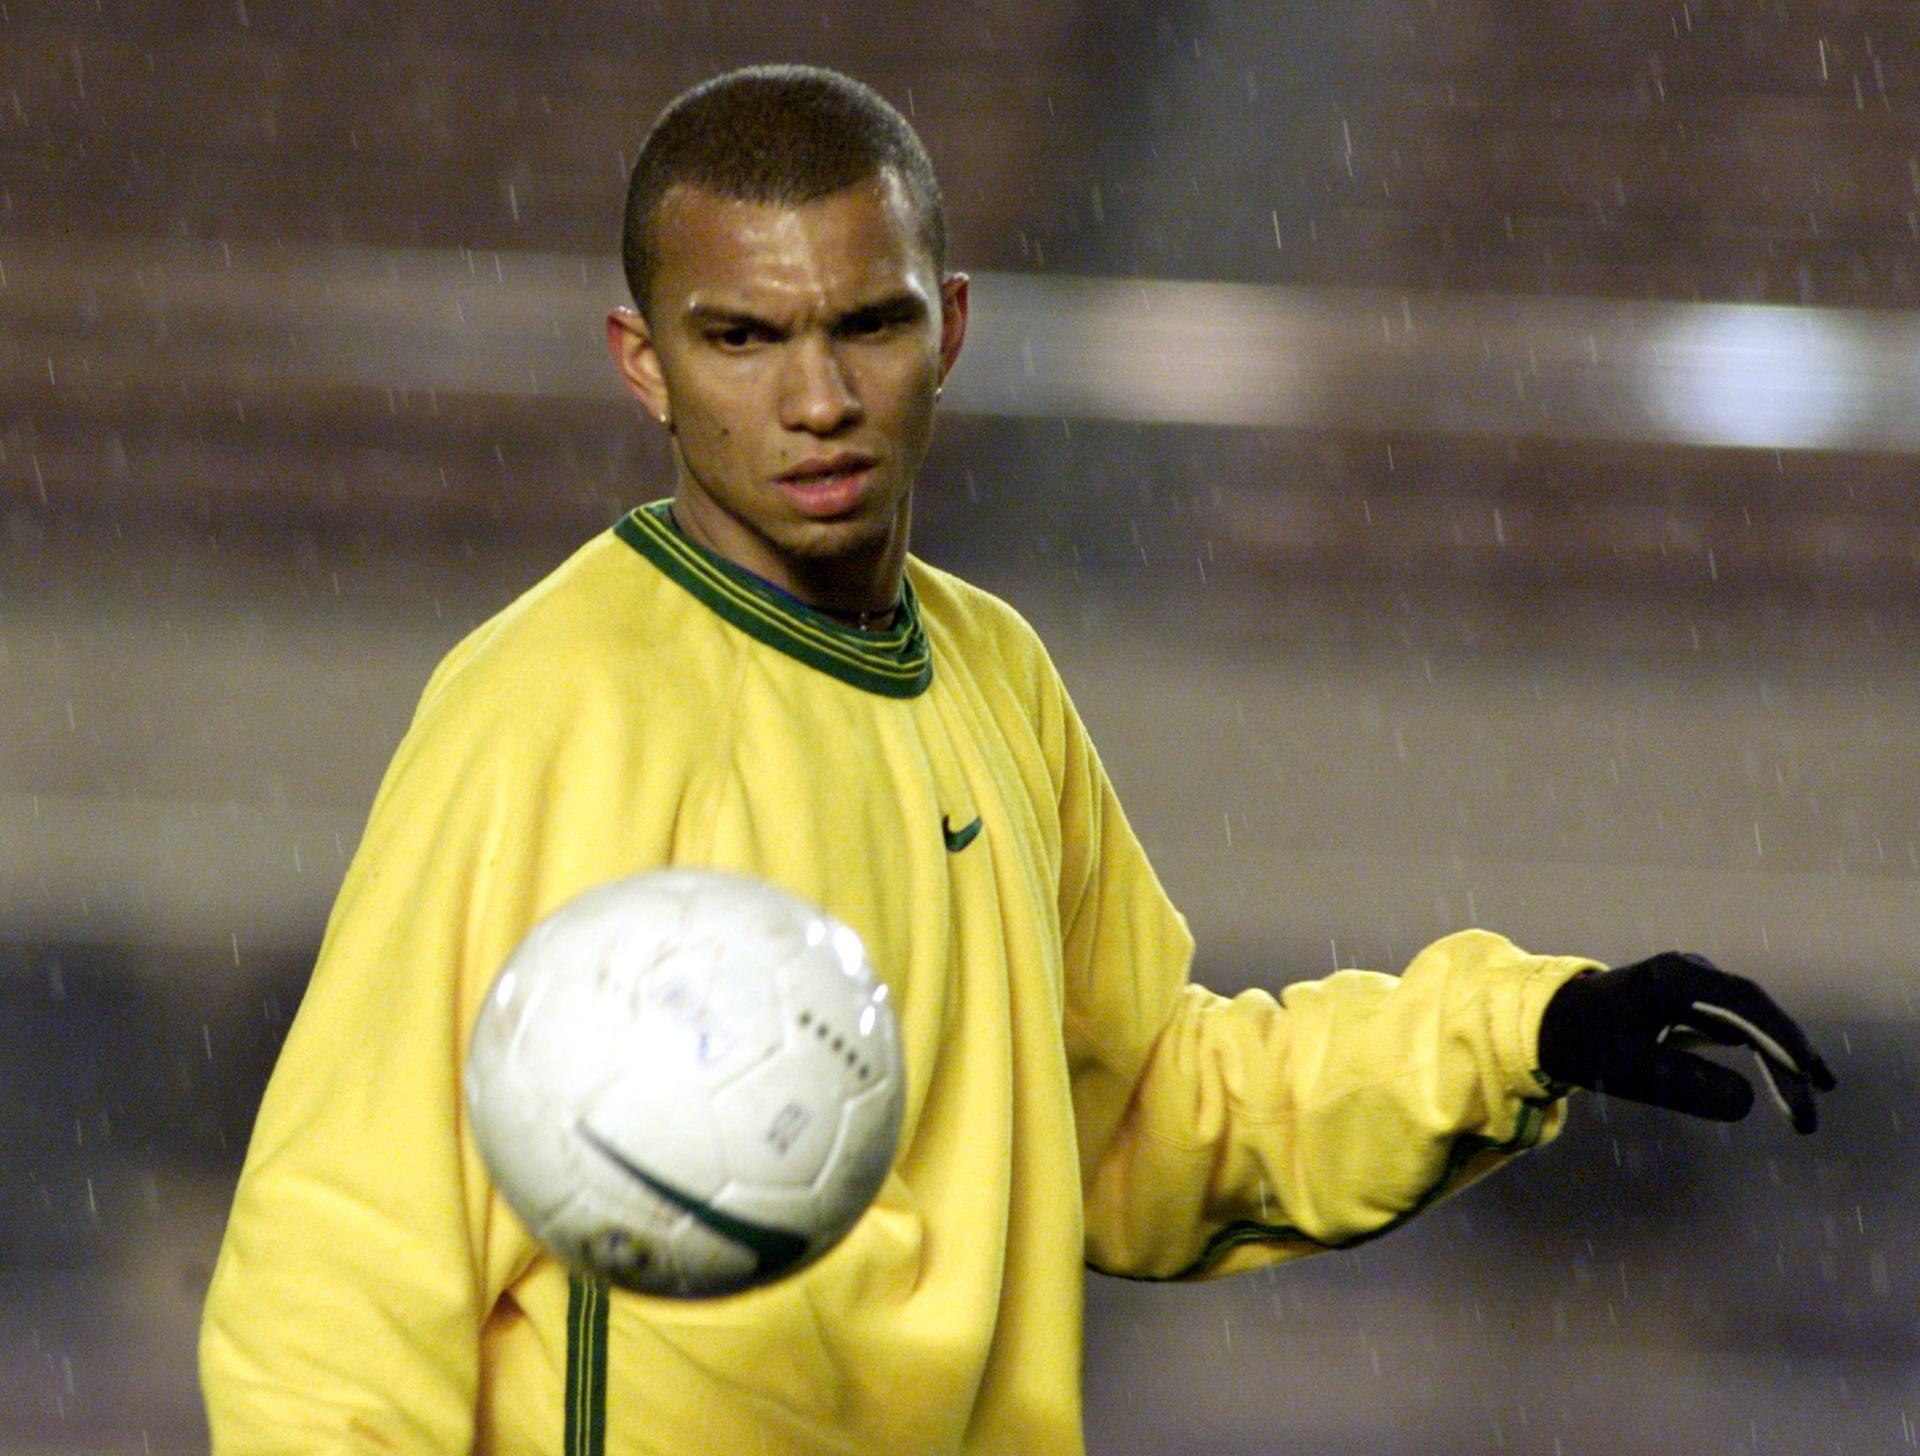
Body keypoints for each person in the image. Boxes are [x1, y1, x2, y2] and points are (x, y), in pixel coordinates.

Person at [198, 64, 1835, 1455]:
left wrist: (1514, 1031)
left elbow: (1134, 1124)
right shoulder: (550, 700)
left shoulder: (994, 672)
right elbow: (341, 1257)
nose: (820, 397)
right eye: (744, 340)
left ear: (954, 325)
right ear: (644, 363)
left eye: (867, 324)